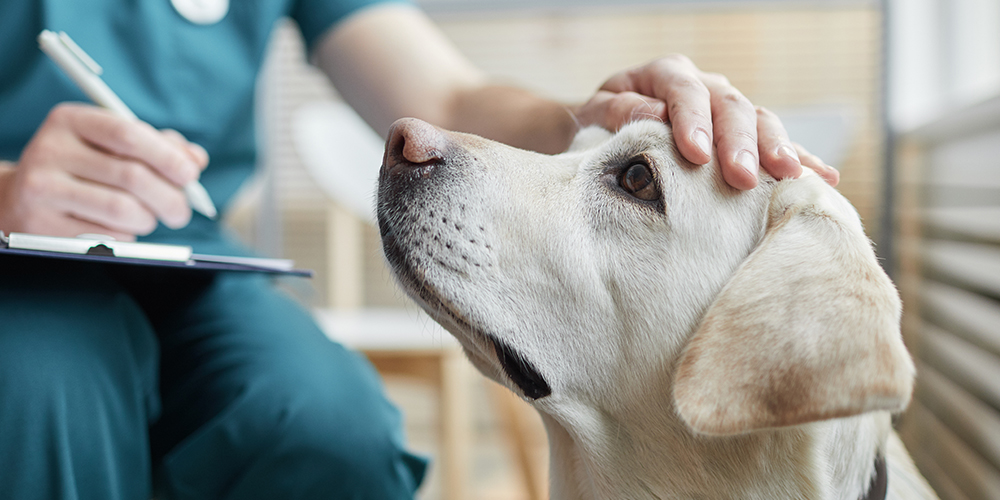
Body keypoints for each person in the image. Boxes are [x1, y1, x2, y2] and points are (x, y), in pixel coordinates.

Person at [0, 0, 837, 499]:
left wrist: (596, 116)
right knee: (38, 392)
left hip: (193, 263)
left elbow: (447, 94)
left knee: (333, 428)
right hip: (12, 263)